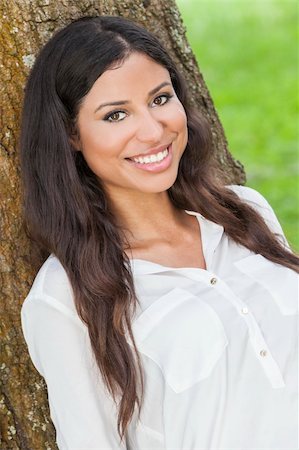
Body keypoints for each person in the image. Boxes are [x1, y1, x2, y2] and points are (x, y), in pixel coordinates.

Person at [19, 15, 298, 450]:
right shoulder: (65, 296)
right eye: (115, 115)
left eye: (160, 98)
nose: (152, 131)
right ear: (71, 134)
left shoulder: (245, 212)